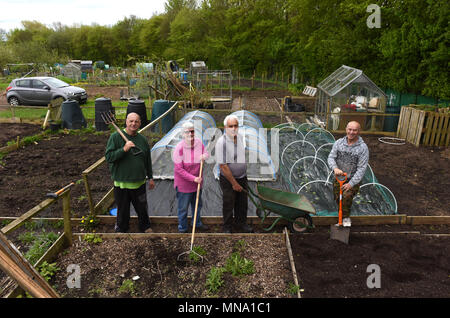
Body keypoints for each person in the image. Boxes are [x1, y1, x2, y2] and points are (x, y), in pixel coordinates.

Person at [105, 112, 155, 233]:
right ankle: (122, 228)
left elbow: (147, 160)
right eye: (131, 121)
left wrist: (151, 177)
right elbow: (109, 157)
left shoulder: (142, 140)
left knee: (142, 207)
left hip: (139, 181)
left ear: (140, 123)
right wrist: (124, 149)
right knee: (122, 209)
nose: (133, 123)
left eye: (136, 121)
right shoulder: (115, 137)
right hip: (122, 183)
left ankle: (145, 226)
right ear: (126, 122)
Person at [215, 115, 253, 233]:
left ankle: (241, 224)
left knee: (242, 203)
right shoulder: (222, 143)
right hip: (228, 179)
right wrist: (234, 183)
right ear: (225, 127)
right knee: (229, 202)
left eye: (235, 125)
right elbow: (223, 166)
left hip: (242, 176)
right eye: (230, 126)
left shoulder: (240, 137)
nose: (233, 128)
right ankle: (227, 226)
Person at [327, 121, 369, 227]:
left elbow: (362, 168)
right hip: (339, 177)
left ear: (359, 131)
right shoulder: (339, 143)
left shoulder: (363, 148)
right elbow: (331, 157)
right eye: (350, 129)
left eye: (355, 130)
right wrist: (335, 168)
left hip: (352, 179)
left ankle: (345, 220)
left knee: (346, 196)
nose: (352, 132)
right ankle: (342, 216)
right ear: (346, 129)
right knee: (338, 197)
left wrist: (351, 183)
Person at [172, 121, 209, 233]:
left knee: (197, 205)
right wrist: (193, 178)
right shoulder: (179, 148)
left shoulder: (198, 143)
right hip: (184, 185)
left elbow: (206, 153)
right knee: (183, 208)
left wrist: (204, 156)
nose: (190, 134)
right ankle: (182, 228)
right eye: (187, 132)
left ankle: (196, 223)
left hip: (197, 183)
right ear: (183, 134)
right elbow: (179, 169)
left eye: (192, 131)